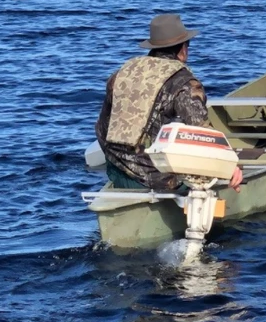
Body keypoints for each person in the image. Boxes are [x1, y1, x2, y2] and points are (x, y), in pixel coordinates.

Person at [96, 13, 243, 193]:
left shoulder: (122, 73)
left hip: (117, 171)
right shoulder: (184, 83)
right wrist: (231, 167)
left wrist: (120, 163)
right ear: (182, 49)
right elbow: (205, 135)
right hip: (158, 180)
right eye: (188, 44)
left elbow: (101, 129)